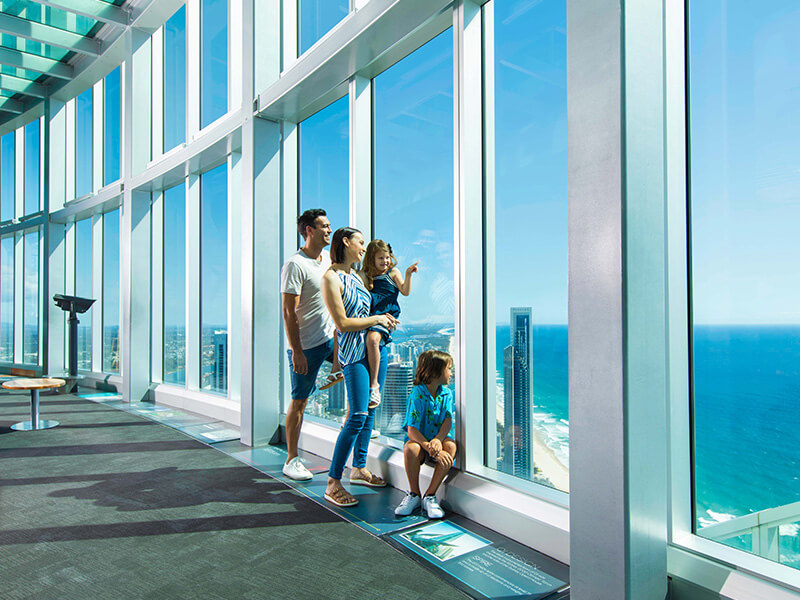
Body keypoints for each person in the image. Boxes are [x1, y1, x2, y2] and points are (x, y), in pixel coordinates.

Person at [320, 227, 399, 507]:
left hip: (375, 350)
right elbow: (341, 324)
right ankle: (332, 483)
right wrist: (377, 319)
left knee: (369, 415)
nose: (363, 248)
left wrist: (384, 319)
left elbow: (374, 305)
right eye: (360, 242)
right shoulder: (331, 278)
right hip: (354, 354)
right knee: (356, 416)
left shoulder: (357, 276)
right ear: (346, 242)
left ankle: (359, 468)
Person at [280, 208, 342, 481]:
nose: (329, 231)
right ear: (309, 231)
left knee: (358, 370)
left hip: (331, 340)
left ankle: (357, 421)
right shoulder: (295, 264)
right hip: (306, 346)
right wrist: (297, 351)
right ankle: (291, 459)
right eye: (324, 227)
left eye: (329, 226)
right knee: (300, 401)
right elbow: (288, 312)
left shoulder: (328, 260)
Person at [394, 350, 457, 519]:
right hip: (421, 443)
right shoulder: (417, 394)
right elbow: (412, 429)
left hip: (437, 442)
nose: (451, 373)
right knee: (410, 449)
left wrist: (437, 440)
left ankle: (430, 495)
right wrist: (428, 445)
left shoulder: (447, 394)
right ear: (435, 372)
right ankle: (414, 494)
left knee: (450, 446)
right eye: (449, 369)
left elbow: (447, 421)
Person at [361, 240, 418, 408]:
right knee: (366, 343)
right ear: (371, 259)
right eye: (380, 258)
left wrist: (408, 274)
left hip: (386, 316)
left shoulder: (392, 273)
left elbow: (405, 291)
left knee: (372, 340)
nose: (385, 261)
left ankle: (374, 385)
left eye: (387, 257)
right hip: (371, 315)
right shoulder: (366, 275)